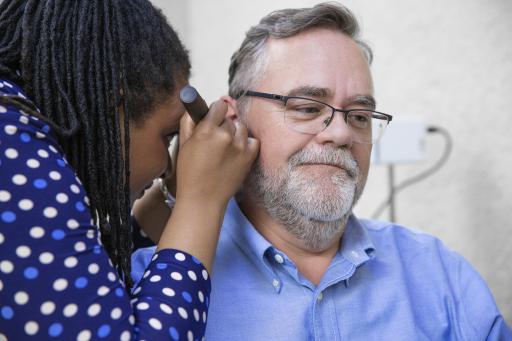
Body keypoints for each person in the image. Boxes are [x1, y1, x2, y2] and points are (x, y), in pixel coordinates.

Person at [132, 2, 512, 340]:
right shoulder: (154, 291)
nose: (343, 133)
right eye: (307, 108)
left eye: (360, 116)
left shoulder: (441, 274)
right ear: (234, 120)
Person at [0, 0, 258, 340]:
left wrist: (178, 193)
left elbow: (79, 270)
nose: (169, 163)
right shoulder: (11, 145)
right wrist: (202, 201)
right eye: (168, 137)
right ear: (112, 105)